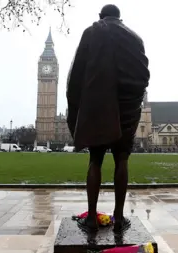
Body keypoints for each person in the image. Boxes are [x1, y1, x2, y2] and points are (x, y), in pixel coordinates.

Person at [66, 4, 150, 233]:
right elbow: (144, 76)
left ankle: (91, 217)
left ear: (101, 16)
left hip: (99, 108)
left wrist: (76, 107)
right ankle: (120, 218)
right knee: (122, 160)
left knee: (95, 160)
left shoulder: (92, 32)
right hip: (127, 112)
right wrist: (132, 102)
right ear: (120, 17)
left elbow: (76, 75)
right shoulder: (136, 38)